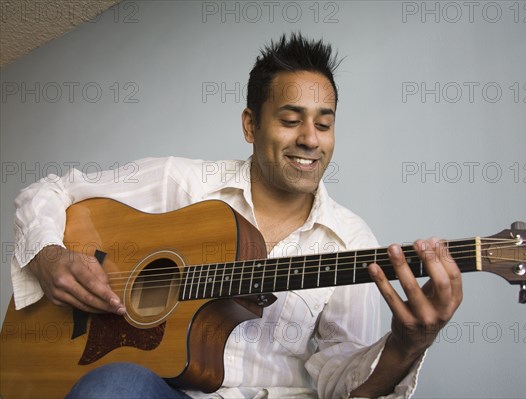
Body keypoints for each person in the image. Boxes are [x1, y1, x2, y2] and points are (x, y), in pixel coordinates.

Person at [10, 33, 462, 398]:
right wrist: (49, 257)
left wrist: (406, 346)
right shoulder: (183, 183)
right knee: (114, 386)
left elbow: (340, 386)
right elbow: (51, 190)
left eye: (324, 124)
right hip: (162, 392)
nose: (310, 139)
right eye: (290, 120)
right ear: (251, 125)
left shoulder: (351, 241)